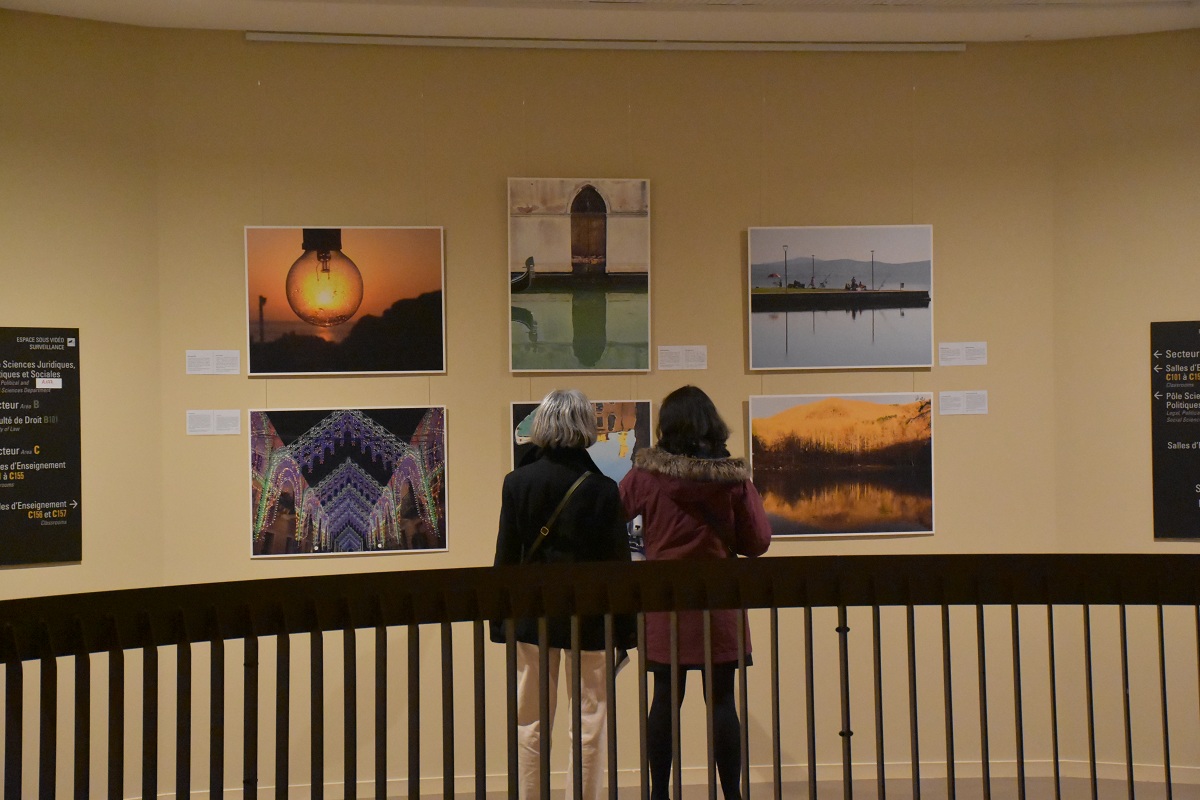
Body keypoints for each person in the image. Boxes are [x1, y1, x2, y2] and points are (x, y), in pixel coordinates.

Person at [619, 385, 771, 800]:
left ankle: (660, 794)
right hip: (718, 602)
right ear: (711, 424)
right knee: (722, 700)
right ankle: (732, 795)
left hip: (663, 602)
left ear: (667, 427)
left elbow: (612, 518)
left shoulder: (645, 476)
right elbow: (757, 542)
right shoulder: (733, 480)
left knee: (665, 698)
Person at [491, 389, 635, 800]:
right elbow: (617, 565)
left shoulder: (517, 482)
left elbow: (507, 554)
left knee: (530, 720)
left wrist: (501, 620)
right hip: (590, 617)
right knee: (590, 720)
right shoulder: (603, 489)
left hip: (532, 613)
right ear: (585, 429)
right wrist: (625, 628)